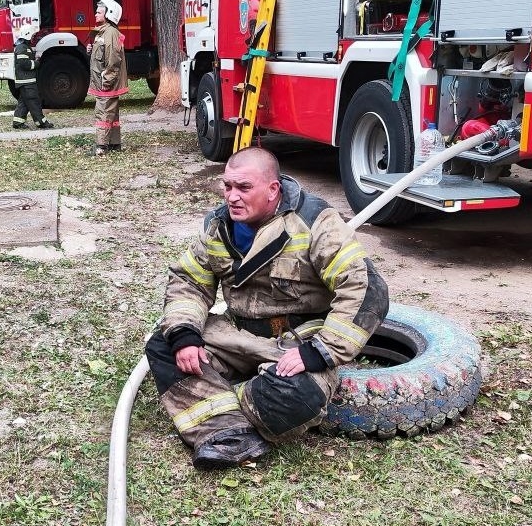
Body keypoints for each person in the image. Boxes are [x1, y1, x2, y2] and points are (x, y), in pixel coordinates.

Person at [145, 146, 389, 469]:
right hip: (240, 337)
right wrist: (186, 336)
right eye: (228, 186)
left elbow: (367, 289)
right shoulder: (218, 227)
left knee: (299, 395)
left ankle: (229, 400)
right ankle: (229, 435)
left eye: (244, 188)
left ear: (273, 190)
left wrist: (318, 352)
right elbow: (189, 281)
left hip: (295, 343)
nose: (232, 197)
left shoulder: (315, 222)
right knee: (166, 344)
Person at [87, 0, 128, 156]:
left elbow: (113, 59)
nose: (95, 14)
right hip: (102, 81)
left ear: (109, 14)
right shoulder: (103, 32)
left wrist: (107, 80)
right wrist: (91, 49)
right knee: (112, 114)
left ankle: (101, 147)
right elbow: (102, 54)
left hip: (105, 83)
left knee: (103, 113)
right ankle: (114, 144)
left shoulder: (110, 33)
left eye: (99, 12)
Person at [10, 24, 54, 130]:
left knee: (24, 102)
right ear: (27, 35)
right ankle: (41, 122)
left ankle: (18, 122)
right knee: (34, 101)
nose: (34, 37)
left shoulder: (23, 47)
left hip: (25, 81)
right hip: (27, 81)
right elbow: (24, 64)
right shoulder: (22, 48)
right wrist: (37, 63)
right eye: (33, 35)